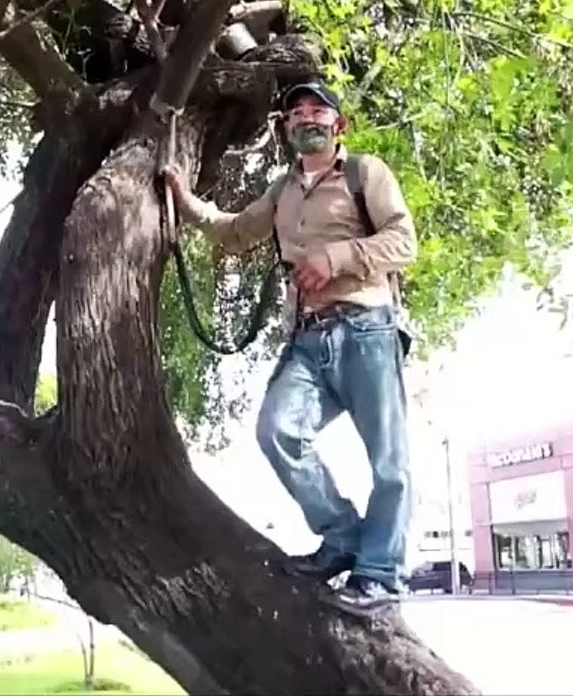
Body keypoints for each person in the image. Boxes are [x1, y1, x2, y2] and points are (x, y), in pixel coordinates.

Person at [162, 79, 416, 614]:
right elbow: (233, 232)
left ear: (337, 125)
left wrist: (337, 258)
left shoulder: (363, 173)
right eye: (296, 112)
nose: (306, 118)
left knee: (389, 460)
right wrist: (185, 201)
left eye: (317, 110)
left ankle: (380, 574)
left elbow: (403, 241)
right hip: (307, 337)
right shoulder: (282, 191)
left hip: (366, 328)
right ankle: (343, 536)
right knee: (276, 430)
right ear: (286, 129)